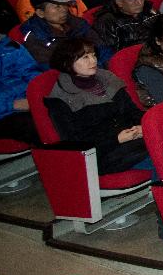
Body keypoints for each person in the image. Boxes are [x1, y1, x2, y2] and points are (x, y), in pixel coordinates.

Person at [45, 37, 149, 174]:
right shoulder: (61, 98)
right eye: (85, 57)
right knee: (160, 151)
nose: (93, 61)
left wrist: (144, 127)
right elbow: (75, 143)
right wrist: (116, 139)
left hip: (131, 141)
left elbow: (133, 112)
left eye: (93, 55)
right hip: (103, 154)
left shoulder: (108, 79)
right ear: (67, 62)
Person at [21, 0, 108, 69]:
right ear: (41, 13)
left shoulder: (76, 22)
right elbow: (53, 69)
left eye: (64, 4)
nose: (64, 10)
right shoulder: (35, 38)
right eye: (57, 7)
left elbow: (101, 47)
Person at [0, 34, 43, 143]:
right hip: (2, 113)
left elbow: (31, 71)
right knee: (36, 126)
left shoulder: (8, 45)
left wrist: (39, 93)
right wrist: (13, 104)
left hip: (29, 99)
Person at [93, 0, 158, 54]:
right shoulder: (107, 22)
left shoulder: (149, 10)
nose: (140, 3)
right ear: (119, 2)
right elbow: (112, 55)